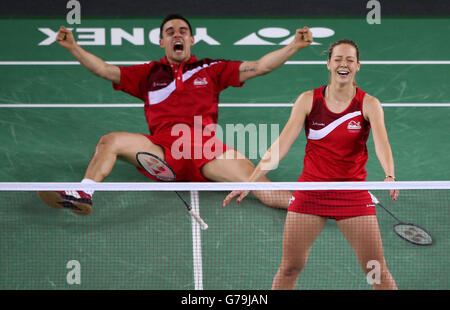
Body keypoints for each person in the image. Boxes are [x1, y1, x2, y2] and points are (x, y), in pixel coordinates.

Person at [37, 14, 313, 215]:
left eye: (183, 30)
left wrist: (294, 46)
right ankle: (84, 192)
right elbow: (105, 70)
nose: (177, 34)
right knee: (111, 141)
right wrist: (73, 48)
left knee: (258, 184)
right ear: (162, 41)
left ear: (192, 39)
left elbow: (260, 66)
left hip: (207, 151)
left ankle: (308, 207)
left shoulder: (211, 69)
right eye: (170, 31)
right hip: (162, 152)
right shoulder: (147, 74)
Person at [223, 39, 399, 290]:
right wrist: (251, 180)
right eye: (338, 58)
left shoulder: (368, 104)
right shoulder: (308, 100)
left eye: (350, 59)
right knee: (289, 268)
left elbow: (382, 143)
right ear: (329, 64)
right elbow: (280, 146)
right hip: (311, 193)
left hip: (351, 194)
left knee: (376, 272)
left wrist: (389, 175)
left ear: (358, 66)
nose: (343, 63)